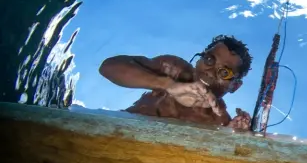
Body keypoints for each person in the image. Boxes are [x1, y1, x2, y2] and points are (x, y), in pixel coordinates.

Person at [98, 35, 253, 130]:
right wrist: (168, 85)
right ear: (200, 59)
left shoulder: (221, 120)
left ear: (235, 86)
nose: (210, 71)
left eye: (224, 72)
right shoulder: (173, 70)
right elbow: (108, 68)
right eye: (209, 59)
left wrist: (232, 135)